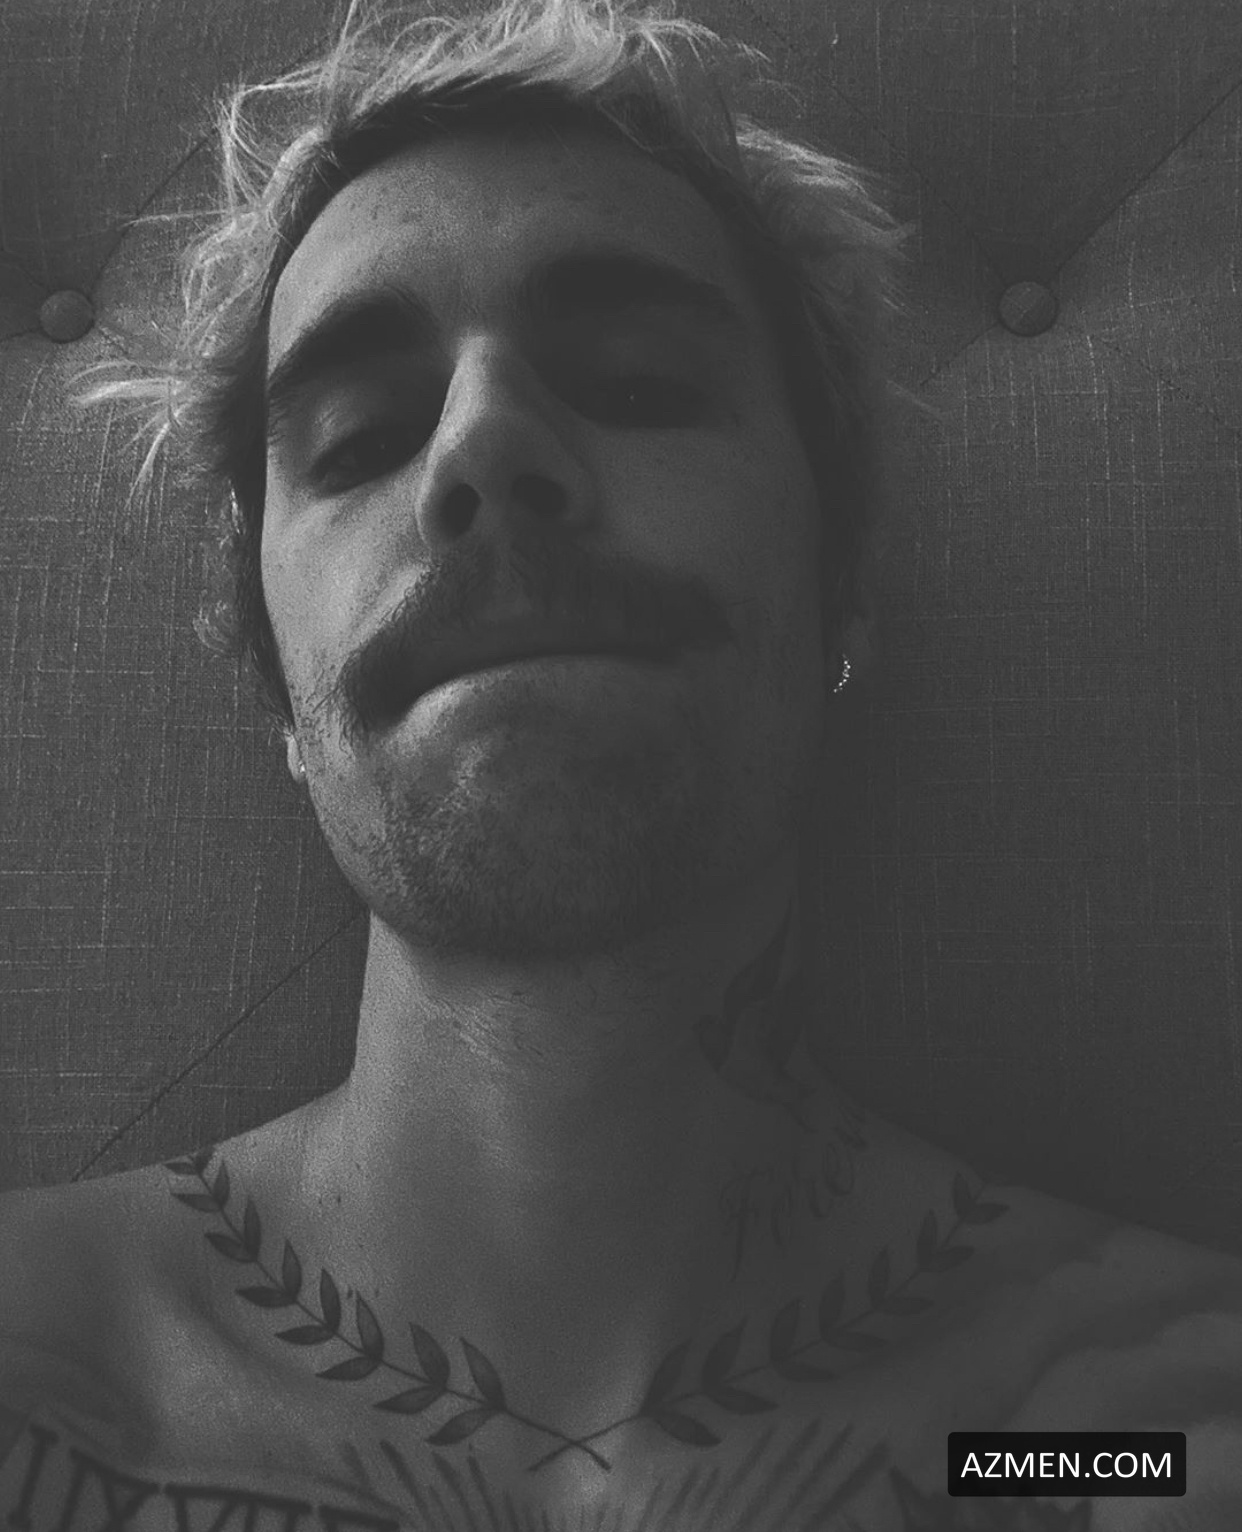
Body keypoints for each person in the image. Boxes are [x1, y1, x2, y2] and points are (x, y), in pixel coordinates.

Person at [2, 0, 1240, 1526]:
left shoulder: (1151, 1436)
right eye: (361, 433)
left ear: (838, 582)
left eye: (642, 381)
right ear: (277, 690)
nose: (479, 446)